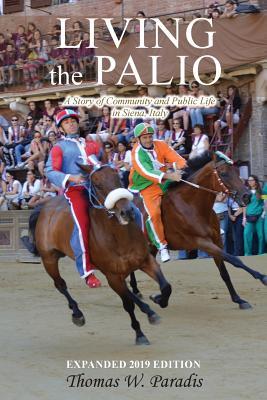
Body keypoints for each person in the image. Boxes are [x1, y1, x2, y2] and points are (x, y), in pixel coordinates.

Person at [46, 109, 102, 288]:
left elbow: (98, 162)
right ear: (61, 127)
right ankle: (87, 271)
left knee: (124, 207)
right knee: (82, 224)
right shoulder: (58, 147)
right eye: (66, 122)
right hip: (76, 190)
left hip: (97, 187)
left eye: (73, 121)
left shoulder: (90, 143)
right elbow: (50, 171)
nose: (71, 123)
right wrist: (71, 177)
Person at [129, 122, 186, 262]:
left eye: (150, 136)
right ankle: (162, 246)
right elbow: (147, 172)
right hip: (147, 185)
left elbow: (175, 157)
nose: (148, 140)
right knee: (154, 213)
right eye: (144, 138)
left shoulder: (160, 144)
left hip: (164, 180)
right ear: (138, 139)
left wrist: (180, 166)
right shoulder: (136, 153)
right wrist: (171, 176)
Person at [243, 175, 264, 256]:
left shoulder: (261, 192)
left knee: (261, 236)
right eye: (248, 180)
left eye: (251, 180)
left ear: (256, 181)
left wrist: (263, 213)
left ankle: (261, 253)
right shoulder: (246, 192)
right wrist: (244, 218)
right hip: (249, 217)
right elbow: (245, 205)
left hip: (259, 217)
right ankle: (247, 254)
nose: (250, 182)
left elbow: (265, 202)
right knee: (246, 235)